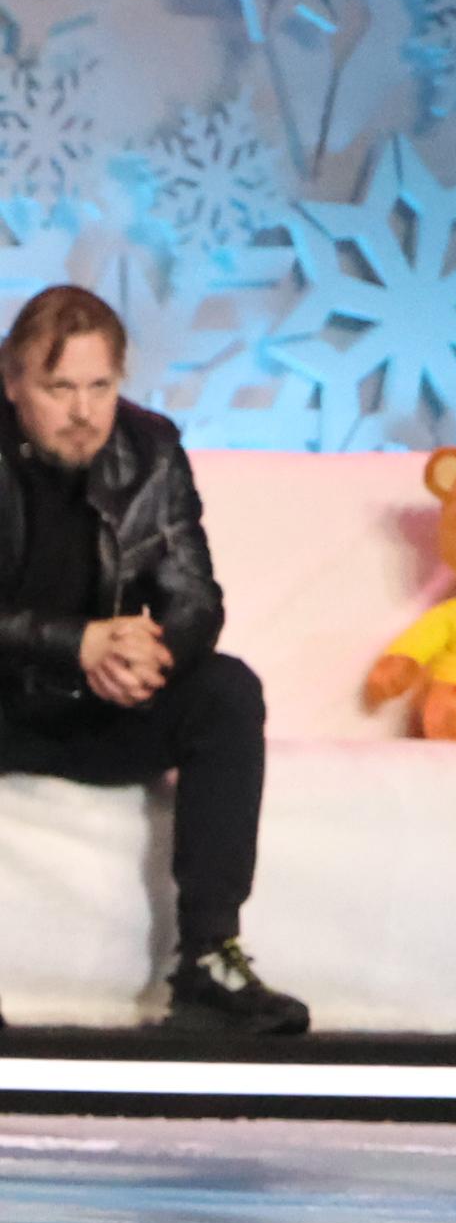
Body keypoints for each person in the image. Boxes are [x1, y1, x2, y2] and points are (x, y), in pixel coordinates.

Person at [0, 285, 308, 1036]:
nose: (83, 411)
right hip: (6, 701)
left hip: (105, 705)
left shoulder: (150, 448)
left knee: (228, 689)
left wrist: (150, 653)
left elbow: (196, 595)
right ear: (12, 383)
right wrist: (77, 642)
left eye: (100, 386)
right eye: (59, 388)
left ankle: (207, 961)